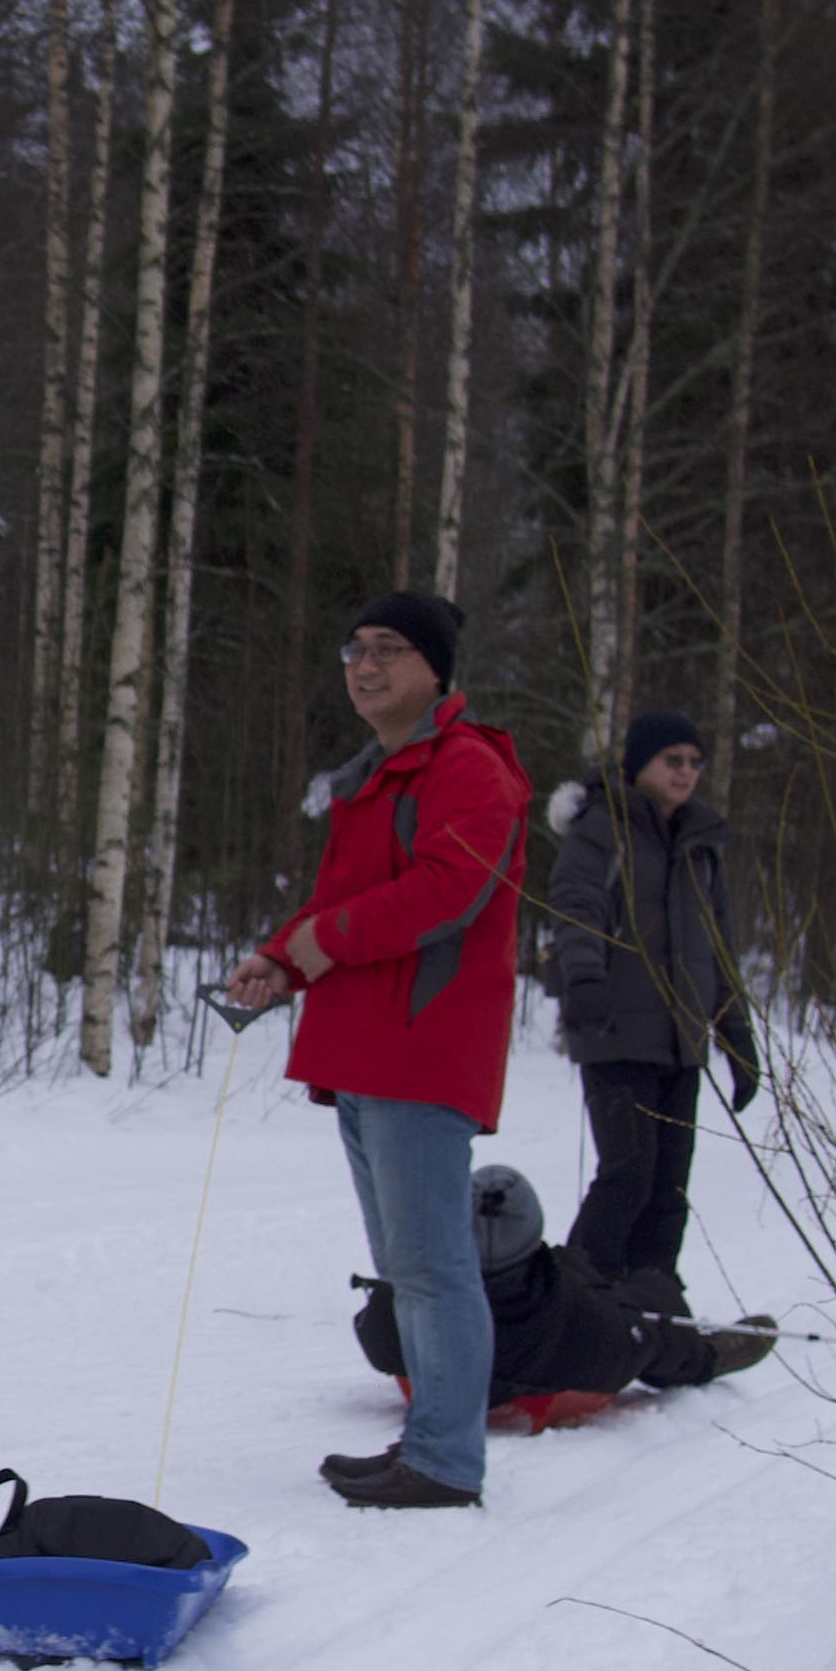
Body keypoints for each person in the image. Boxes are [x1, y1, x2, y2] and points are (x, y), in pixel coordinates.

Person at [216, 589, 529, 1510]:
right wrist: (283, 957)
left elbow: (445, 892)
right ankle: (429, 1443)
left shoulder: (467, 768)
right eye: (355, 649)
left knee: (433, 1268)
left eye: (389, 649)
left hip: (422, 1051)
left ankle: (444, 1460)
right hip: (364, 1052)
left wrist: (321, 944)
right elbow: (346, 902)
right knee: (408, 1267)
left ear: (435, 668)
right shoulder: (379, 775)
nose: (365, 664)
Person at [539, 704, 761, 1314]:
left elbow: (718, 946)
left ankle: (652, 1300)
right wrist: (582, 984)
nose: (686, 772)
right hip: (613, 1030)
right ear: (640, 765)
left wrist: (736, 1035)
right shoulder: (601, 829)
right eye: (673, 760)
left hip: (680, 1043)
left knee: (668, 1188)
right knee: (628, 1174)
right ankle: (571, 1302)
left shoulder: (701, 846)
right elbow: (574, 908)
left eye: (694, 762)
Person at [350, 1164, 775, 1431]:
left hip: (455, 1352)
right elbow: (642, 1343)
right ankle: (711, 1354)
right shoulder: (591, 1322)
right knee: (649, 1307)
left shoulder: (402, 1302)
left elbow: (371, 1332)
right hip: (556, 1350)